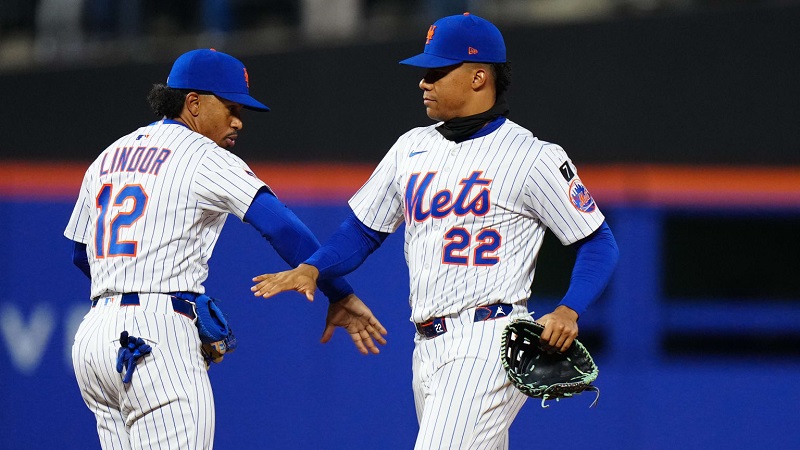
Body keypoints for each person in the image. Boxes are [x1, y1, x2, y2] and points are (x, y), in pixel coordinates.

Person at [251, 13, 619, 449]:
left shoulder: (532, 156)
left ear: (479, 77)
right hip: (426, 346)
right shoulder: (412, 146)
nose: (424, 82)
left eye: (438, 72)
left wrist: (569, 309)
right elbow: (363, 231)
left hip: (488, 338)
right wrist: (314, 267)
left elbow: (598, 240)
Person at [64, 48, 387, 450]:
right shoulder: (205, 156)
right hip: (155, 338)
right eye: (230, 108)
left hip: (93, 339)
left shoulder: (108, 156)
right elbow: (281, 225)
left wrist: (126, 292)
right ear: (193, 103)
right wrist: (338, 292)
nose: (238, 121)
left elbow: (81, 253)